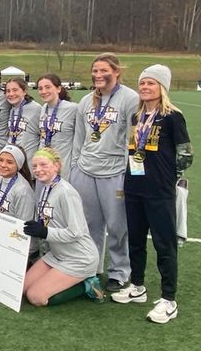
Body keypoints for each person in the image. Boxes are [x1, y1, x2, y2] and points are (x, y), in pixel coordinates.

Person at [111, 64, 193, 324]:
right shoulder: (137, 116)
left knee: (163, 244)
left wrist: (168, 176)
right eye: (142, 83)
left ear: (162, 88)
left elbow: (186, 154)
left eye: (151, 83)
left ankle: (169, 300)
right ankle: (137, 287)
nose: (145, 87)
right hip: (134, 188)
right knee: (135, 240)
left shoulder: (172, 117)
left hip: (159, 191)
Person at [71, 52, 139, 292]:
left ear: (117, 72)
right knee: (90, 224)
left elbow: (135, 138)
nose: (98, 75)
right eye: (95, 70)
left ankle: (120, 272)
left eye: (103, 71)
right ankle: (93, 266)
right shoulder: (86, 101)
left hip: (115, 172)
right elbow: (79, 138)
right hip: (86, 171)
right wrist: (75, 167)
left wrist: (130, 172)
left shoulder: (130, 98)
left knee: (118, 226)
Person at [22, 148, 99, 306]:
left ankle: (86, 284)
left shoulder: (66, 192)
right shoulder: (45, 188)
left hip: (79, 258)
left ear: (56, 166)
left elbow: (76, 232)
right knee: (21, 288)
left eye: (43, 164)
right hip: (57, 254)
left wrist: (45, 232)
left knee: (36, 297)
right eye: (35, 166)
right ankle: (62, 279)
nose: (38, 170)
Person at [36, 74, 77, 178]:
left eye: (48, 87)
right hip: (44, 165)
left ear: (58, 89)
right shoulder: (43, 108)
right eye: (40, 88)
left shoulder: (72, 109)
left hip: (63, 168)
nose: (43, 91)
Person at [4, 77, 41, 175]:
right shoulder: (12, 110)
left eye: (15, 90)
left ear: (24, 91)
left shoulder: (35, 108)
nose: (11, 94)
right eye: (8, 91)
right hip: (13, 166)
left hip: (28, 168)